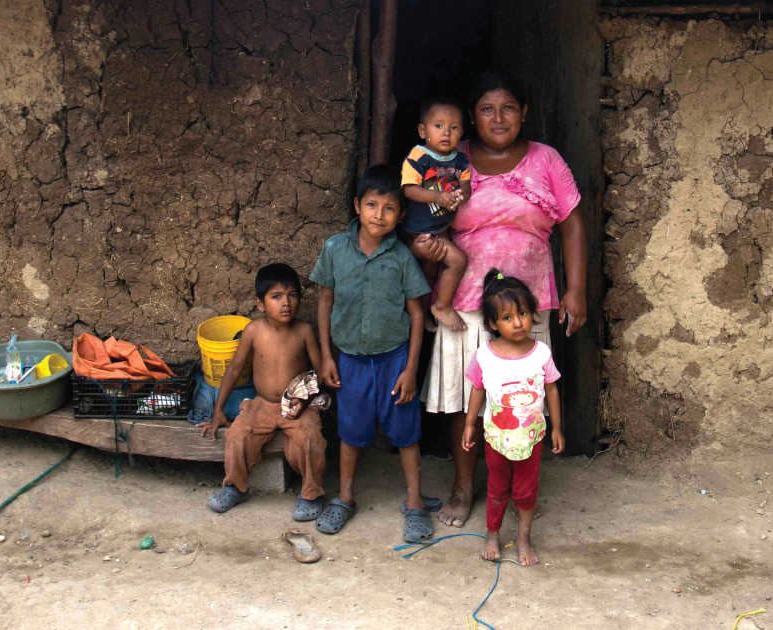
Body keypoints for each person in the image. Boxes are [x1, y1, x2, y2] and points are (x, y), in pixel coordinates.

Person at [416, 71, 588, 528]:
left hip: (526, 307)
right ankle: (462, 486)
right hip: (465, 301)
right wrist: (426, 251)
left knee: (522, 399)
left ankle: (515, 489)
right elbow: (419, 213)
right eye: (487, 109)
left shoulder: (546, 159)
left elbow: (572, 224)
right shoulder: (452, 158)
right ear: (472, 116)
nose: (498, 117)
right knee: (464, 397)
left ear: (524, 113)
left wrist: (575, 289)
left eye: (509, 108)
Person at [310, 164, 435, 542]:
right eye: (371, 205)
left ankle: (415, 503)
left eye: (389, 208)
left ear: (400, 217)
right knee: (351, 431)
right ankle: (345, 496)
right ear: (357, 206)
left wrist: (411, 369)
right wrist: (327, 357)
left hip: (395, 359)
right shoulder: (335, 249)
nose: (379, 215)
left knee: (405, 432)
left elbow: (417, 314)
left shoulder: (401, 257)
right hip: (350, 360)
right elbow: (324, 303)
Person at [200, 264, 330, 522]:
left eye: (293, 295)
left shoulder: (304, 332)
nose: (286, 303)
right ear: (260, 304)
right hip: (263, 404)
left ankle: (312, 493)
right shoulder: (253, 331)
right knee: (237, 435)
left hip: (297, 404)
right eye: (276, 296)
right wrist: (218, 411)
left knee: (309, 438)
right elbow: (234, 370)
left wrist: (304, 399)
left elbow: (319, 373)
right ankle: (235, 487)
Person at [461, 270, 563, 566]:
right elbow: (477, 391)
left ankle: (523, 539)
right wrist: (469, 425)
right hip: (496, 437)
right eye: (507, 318)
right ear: (493, 324)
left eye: (523, 313)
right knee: (497, 488)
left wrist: (556, 427)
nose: (518, 323)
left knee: (526, 491)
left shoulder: (541, 352)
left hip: (531, 438)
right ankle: (492, 536)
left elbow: (552, 391)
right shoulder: (485, 355)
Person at [400, 96, 472, 333]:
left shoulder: (460, 159)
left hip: (440, 229)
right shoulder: (419, 156)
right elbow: (409, 188)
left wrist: (460, 195)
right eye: (438, 126)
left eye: (454, 127)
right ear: (423, 130)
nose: (446, 132)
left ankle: (422, 317)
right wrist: (437, 197)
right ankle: (441, 306)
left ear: (461, 132)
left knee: (429, 274)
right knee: (457, 261)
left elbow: (466, 186)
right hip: (420, 230)